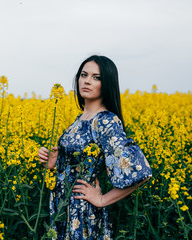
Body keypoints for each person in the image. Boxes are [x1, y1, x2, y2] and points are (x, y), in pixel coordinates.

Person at [38, 55, 152, 239]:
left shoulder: (106, 121)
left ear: (107, 83)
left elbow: (140, 173)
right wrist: (54, 162)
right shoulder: (79, 119)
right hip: (62, 208)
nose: (87, 81)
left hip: (82, 212)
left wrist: (101, 200)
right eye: (84, 75)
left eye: (96, 77)